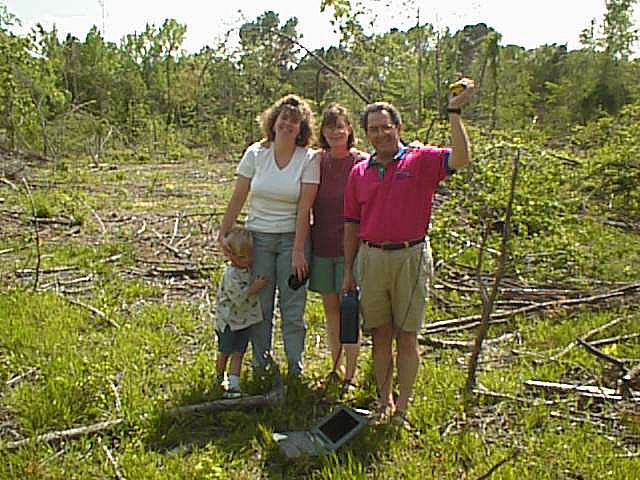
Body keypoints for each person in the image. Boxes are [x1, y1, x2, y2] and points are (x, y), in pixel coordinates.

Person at [342, 79, 476, 426]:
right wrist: (347, 271)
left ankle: (402, 409)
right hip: (370, 258)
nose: (380, 134)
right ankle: (384, 402)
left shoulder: (421, 160)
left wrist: (455, 112)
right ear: (367, 135)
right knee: (380, 334)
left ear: (398, 128)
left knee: (407, 335)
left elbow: (461, 158)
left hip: (411, 257)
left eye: (386, 127)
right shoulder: (360, 171)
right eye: (373, 130)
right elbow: (351, 224)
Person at [218, 94, 319, 377]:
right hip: (257, 240)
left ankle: (294, 368)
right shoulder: (255, 153)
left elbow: (304, 208)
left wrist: (299, 250)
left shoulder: (308, 159)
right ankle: (261, 365)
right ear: (273, 121)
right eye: (284, 118)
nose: (288, 124)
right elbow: (239, 196)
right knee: (260, 305)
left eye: (295, 120)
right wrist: (224, 232)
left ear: (302, 128)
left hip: (292, 240)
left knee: (292, 307)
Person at [309, 104, 368, 393]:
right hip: (322, 247)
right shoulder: (317, 161)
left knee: (349, 312)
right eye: (330, 126)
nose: (335, 132)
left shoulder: (361, 162)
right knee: (330, 311)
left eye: (340, 126)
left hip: (353, 250)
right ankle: (336, 366)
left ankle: (351, 376)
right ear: (322, 131)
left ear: (350, 130)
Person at [215, 226, 268, 398]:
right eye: (244, 257)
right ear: (232, 256)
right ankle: (219, 377)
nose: (249, 260)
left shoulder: (246, 270)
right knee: (225, 351)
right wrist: (255, 287)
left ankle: (234, 383)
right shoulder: (231, 275)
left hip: (244, 320)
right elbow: (239, 296)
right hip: (229, 321)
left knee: (239, 352)